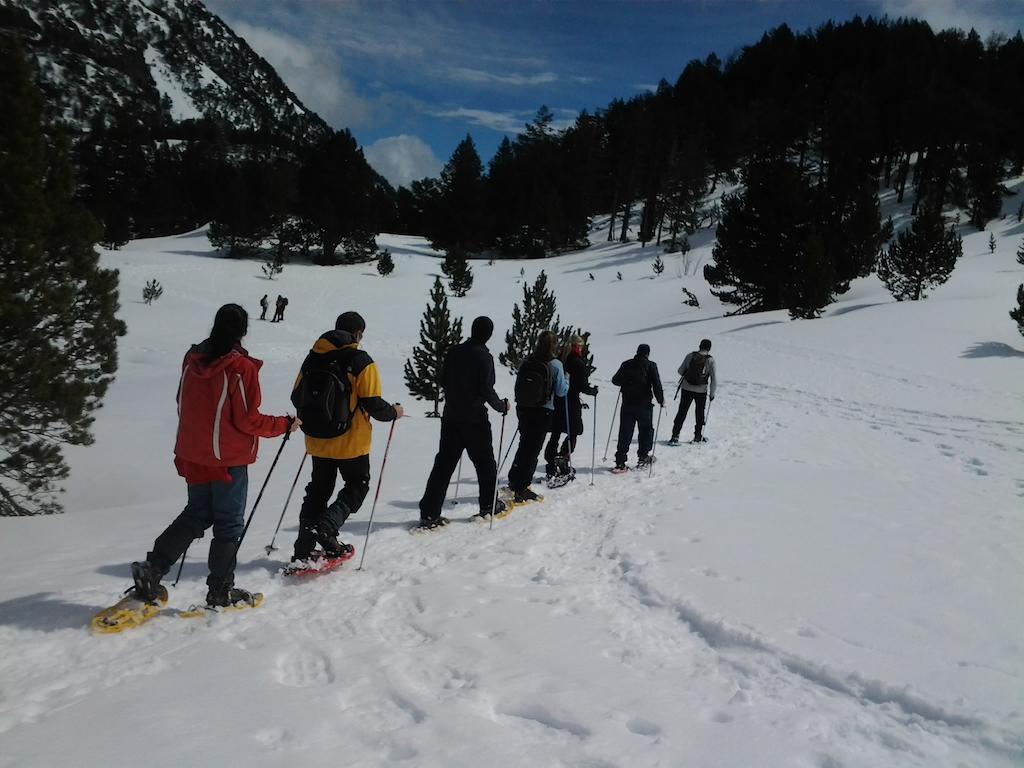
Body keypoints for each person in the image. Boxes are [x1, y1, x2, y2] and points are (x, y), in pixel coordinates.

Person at [129, 304, 299, 608]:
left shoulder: (192, 358)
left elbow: (182, 400)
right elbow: (248, 420)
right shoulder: (240, 367)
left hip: (193, 454)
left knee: (196, 514)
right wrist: (284, 424)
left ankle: (153, 568)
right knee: (228, 525)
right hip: (227, 459)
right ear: (244, 331)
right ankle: (220, 591)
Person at [291, 311, 403, 560]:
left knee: (318, 490)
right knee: (357, 485)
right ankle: (327, 527)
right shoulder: (360, 360)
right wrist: (394, 412)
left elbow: (295, 396)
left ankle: (304, 548)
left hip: (318, 439)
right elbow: (373, 402)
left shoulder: (314, 357)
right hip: (352, 441)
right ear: (358, 334)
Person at [417, 316, 510, 529]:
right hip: (474, 419)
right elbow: (486, 389)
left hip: (451, 417)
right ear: (489, 334)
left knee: (443, 465)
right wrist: (501, 406)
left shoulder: (454, 352)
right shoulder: (484, 357)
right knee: (485, 464)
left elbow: (443, 381)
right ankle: (489, 505)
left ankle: (429, 513)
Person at [506, 331, 569, 503]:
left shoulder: (528, 360)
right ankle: (522, 486)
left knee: (524, 443)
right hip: (543, 410)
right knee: (533, 448)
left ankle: (514, 478)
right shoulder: (555, 364)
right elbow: (561, 391)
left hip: (524, 408)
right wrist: (567, 380)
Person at [544, 334, 598, 479]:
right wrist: (593, 391)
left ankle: (551, 460)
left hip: (557, 400)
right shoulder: (578, 363)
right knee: (574, 430)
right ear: (578, 347)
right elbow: (583, 386)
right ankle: (563, 457)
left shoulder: (560, 359)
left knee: (556, 431)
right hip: (571, 401)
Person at [611, 344, 664, 471]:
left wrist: (626, 381)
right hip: (644, 405)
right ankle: (643, 457)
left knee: (625, 432)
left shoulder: (626, 364)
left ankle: (620, 461)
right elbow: (656, 384)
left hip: (627, 404)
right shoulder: (651, 365)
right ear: (647, 353)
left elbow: (615, 380)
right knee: (645, 430)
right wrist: (661, 400)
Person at [670, 338, 717, 445]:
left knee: (682, 412)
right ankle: (697, 436)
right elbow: (714, 379)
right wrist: (712, 393)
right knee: (699, 413)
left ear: (699, 346)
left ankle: (675, 436)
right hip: (701, 391)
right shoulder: (710, 360)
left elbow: (680, 371)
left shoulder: (690, 356)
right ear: (709, 348)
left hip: (686, 388)